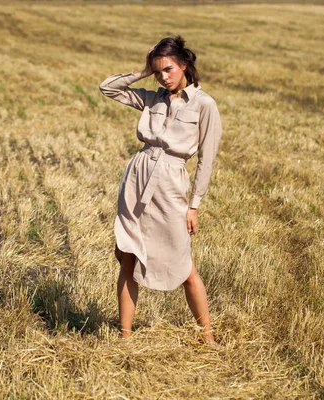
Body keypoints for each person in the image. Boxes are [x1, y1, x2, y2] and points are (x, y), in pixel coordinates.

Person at [99, 36, 223, 343]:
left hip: (170, 184)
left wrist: (194, 205)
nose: (163, 77)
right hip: (137, 176)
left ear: (184, 66)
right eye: (158, 72)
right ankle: (124, 337)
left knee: (184, 264)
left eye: (168, 69)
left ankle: (208, 337)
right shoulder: (152, 98)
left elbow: (207, 159)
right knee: (128, 255)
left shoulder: (205, 105)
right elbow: (108, 88)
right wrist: (143, 71)